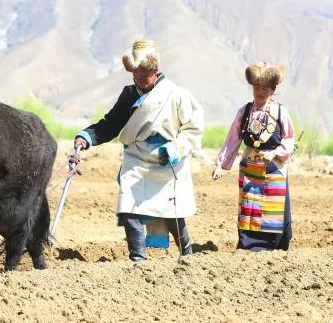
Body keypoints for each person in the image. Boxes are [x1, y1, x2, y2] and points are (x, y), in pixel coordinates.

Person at [71, 39, 204, 262]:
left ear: (156, 70)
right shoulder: (129, 94)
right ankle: (138, 259)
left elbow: (193, 129)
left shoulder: (176, 94)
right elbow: (111, 124)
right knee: (128, 207)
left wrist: (176, 149)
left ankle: (188, 254)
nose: (141, 77)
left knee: (171, 213)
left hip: (168, 161)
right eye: (136, 72)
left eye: (146, 72)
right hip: (137, 159)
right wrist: (86, 137)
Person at [212, 62, 296, 251]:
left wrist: (277, 153)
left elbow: (289, 138)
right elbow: (232, 140)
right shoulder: (244, 112)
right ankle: (249, 245)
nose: (259, 92)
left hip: (274, 167)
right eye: (256, 87)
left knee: (272, 209)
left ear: (272, 90)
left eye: (264, 88)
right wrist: (221, 166)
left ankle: (273, 247)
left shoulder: (281, 112)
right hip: (250, 166)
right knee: (250, 206)